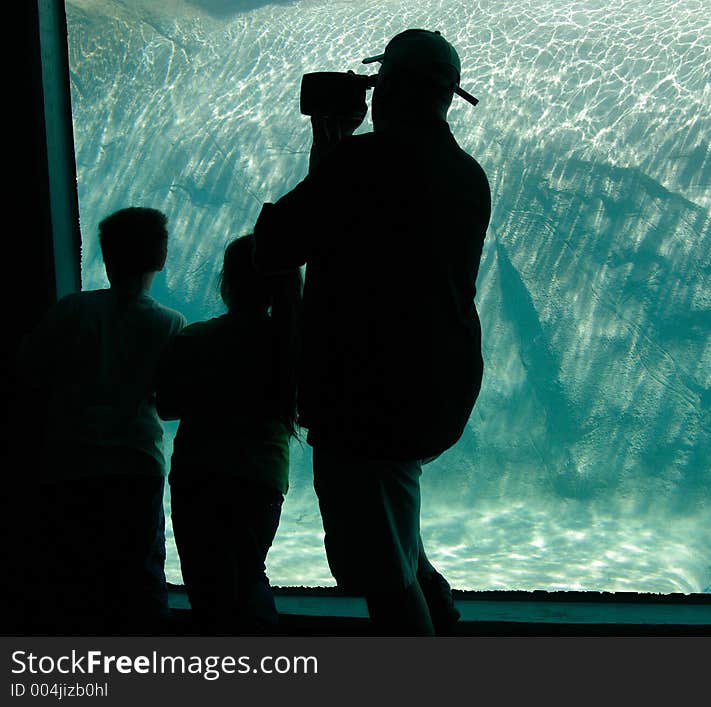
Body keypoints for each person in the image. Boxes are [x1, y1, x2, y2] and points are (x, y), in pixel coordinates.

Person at [253, 29, 491, 635]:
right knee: (392, 517)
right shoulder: (468, 176)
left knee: (385, 580)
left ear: (393, 87)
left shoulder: (361, 165)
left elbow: (275, 248)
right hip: (437, 391)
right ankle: (441, 611)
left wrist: (329, 157)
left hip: (367, 399)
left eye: (379, 79)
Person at [17, 207, 186, 634]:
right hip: (135, 467)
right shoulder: (169, 323)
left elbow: (28, 376)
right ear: (162, 258)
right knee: (141, 579)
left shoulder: (70, 310)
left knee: (75, 581)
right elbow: (169, 405)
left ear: (106, 258)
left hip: (68, 466)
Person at [156, 234, 302, 634]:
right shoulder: (291, 344)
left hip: (199, 474)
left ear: (227, 282)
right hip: (263, 477)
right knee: (250, 572)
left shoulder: (196, 338)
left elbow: (165, 406)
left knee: (207, 585)